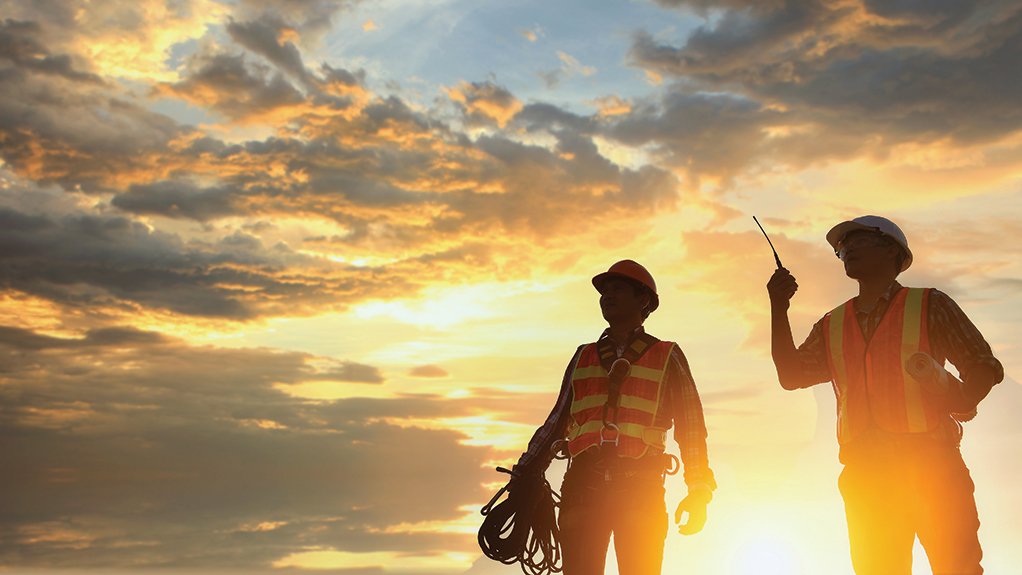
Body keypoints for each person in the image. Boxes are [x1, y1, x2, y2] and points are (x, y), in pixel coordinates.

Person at [767, 215, 1003, 575]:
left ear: (892, 252)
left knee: (957, 568)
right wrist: (778, 308)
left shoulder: (929, 304)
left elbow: (982, 363)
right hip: (867, 474)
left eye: (858, 242)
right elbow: (791, 374)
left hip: (931, 466)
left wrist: (964, 398)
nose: (847, 251)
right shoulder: (832, 323)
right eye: (843, 248)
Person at [514, 259, 716, 575]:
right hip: (583, 485)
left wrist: (699, 491)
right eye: (604, 290)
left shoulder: (667, 355)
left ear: (643, 300)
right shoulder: (584, 355)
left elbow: (691, 428)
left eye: (617, 288)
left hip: (641, 485)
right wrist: (524, 473)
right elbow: (557, 422)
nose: (607, 295)